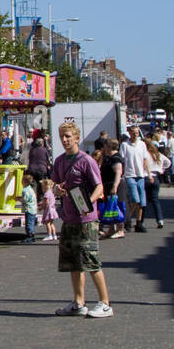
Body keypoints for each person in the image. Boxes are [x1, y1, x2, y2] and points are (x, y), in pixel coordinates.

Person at [51, 123, 113, 318]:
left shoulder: (86, 161)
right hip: (69, 218)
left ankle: (105, 303)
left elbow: (99, 187)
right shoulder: (60, 161)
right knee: (73, 262)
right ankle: (79, 302)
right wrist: (56, 190)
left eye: (68, 136)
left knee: (91, 261)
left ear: (77, 138)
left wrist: (88, 202)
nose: (65, 140)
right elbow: (54, 185)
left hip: (86, 219)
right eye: (62, 136)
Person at [119, 126, 151, 233]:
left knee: (142, 201)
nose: (135, 134)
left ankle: (139, 222)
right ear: (129, 133)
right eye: (133, 133)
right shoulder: (125, 145)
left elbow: (145, 159)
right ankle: (127, 219)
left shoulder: (142, 144)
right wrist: (120, 174)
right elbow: (122, 160)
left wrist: (149, 174)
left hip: (140, 175)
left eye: (137, 133)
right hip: (130, 174)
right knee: (135, 199)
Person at [145, 142, 170, 229]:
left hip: (146, 176)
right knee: (155, 200)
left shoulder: (145, 154)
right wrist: (162, 169)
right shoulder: (158, 154)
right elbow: (168, 162)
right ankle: (160, 219)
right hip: (156, 176)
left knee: (143, 201)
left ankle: (140, 220)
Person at [20, 172, 39, 243]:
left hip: (29, 209)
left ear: (25, 182)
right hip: (33, 209)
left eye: (22, 181)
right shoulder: (30, 189)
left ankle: (30, 236)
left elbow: (25, 200)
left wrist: (18, 199)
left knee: (28, 224)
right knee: (31, 223)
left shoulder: (25, 190)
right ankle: (32, 235)